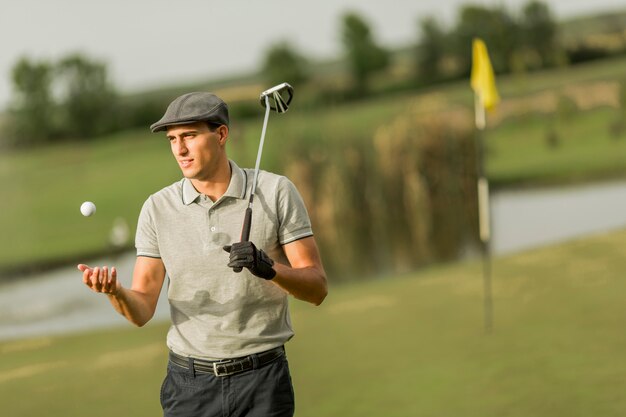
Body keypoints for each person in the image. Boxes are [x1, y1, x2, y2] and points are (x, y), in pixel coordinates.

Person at [77, 91, 328, 417]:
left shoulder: (275, 191)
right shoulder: (157, 208)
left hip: (263, 381)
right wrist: (115, 292)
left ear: (221, 134)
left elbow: (317, 288)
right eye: (172, 140)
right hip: (191, 387)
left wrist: (268, 268)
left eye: (190, 137)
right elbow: (141, 310)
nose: (179, 150)